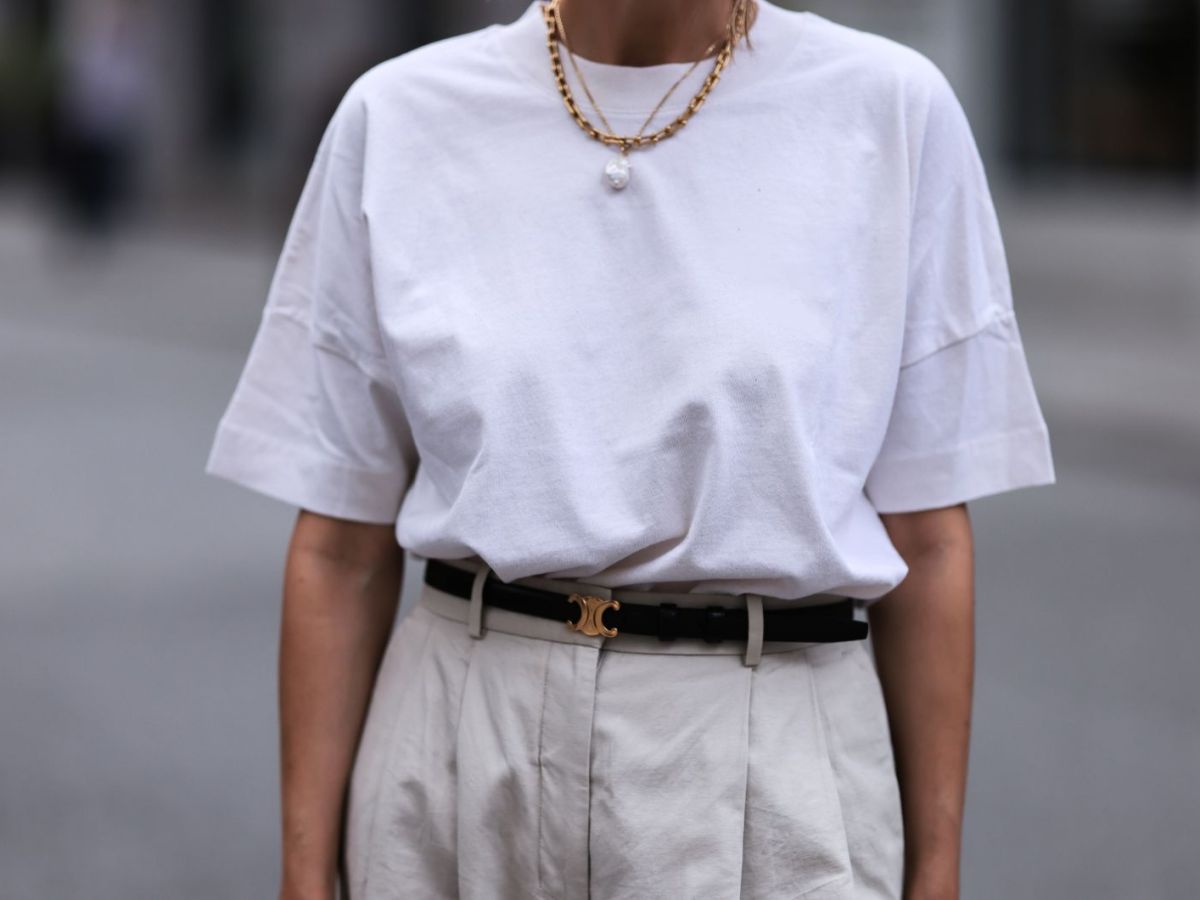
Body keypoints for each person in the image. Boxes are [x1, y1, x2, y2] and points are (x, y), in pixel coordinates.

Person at [203, 1, 1057, 898]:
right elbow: (341, 544)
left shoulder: (888, 110)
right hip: (457, 741)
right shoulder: (400, 117)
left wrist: (936, 871)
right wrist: (305, 874)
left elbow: (929, 539)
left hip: (771, 753)